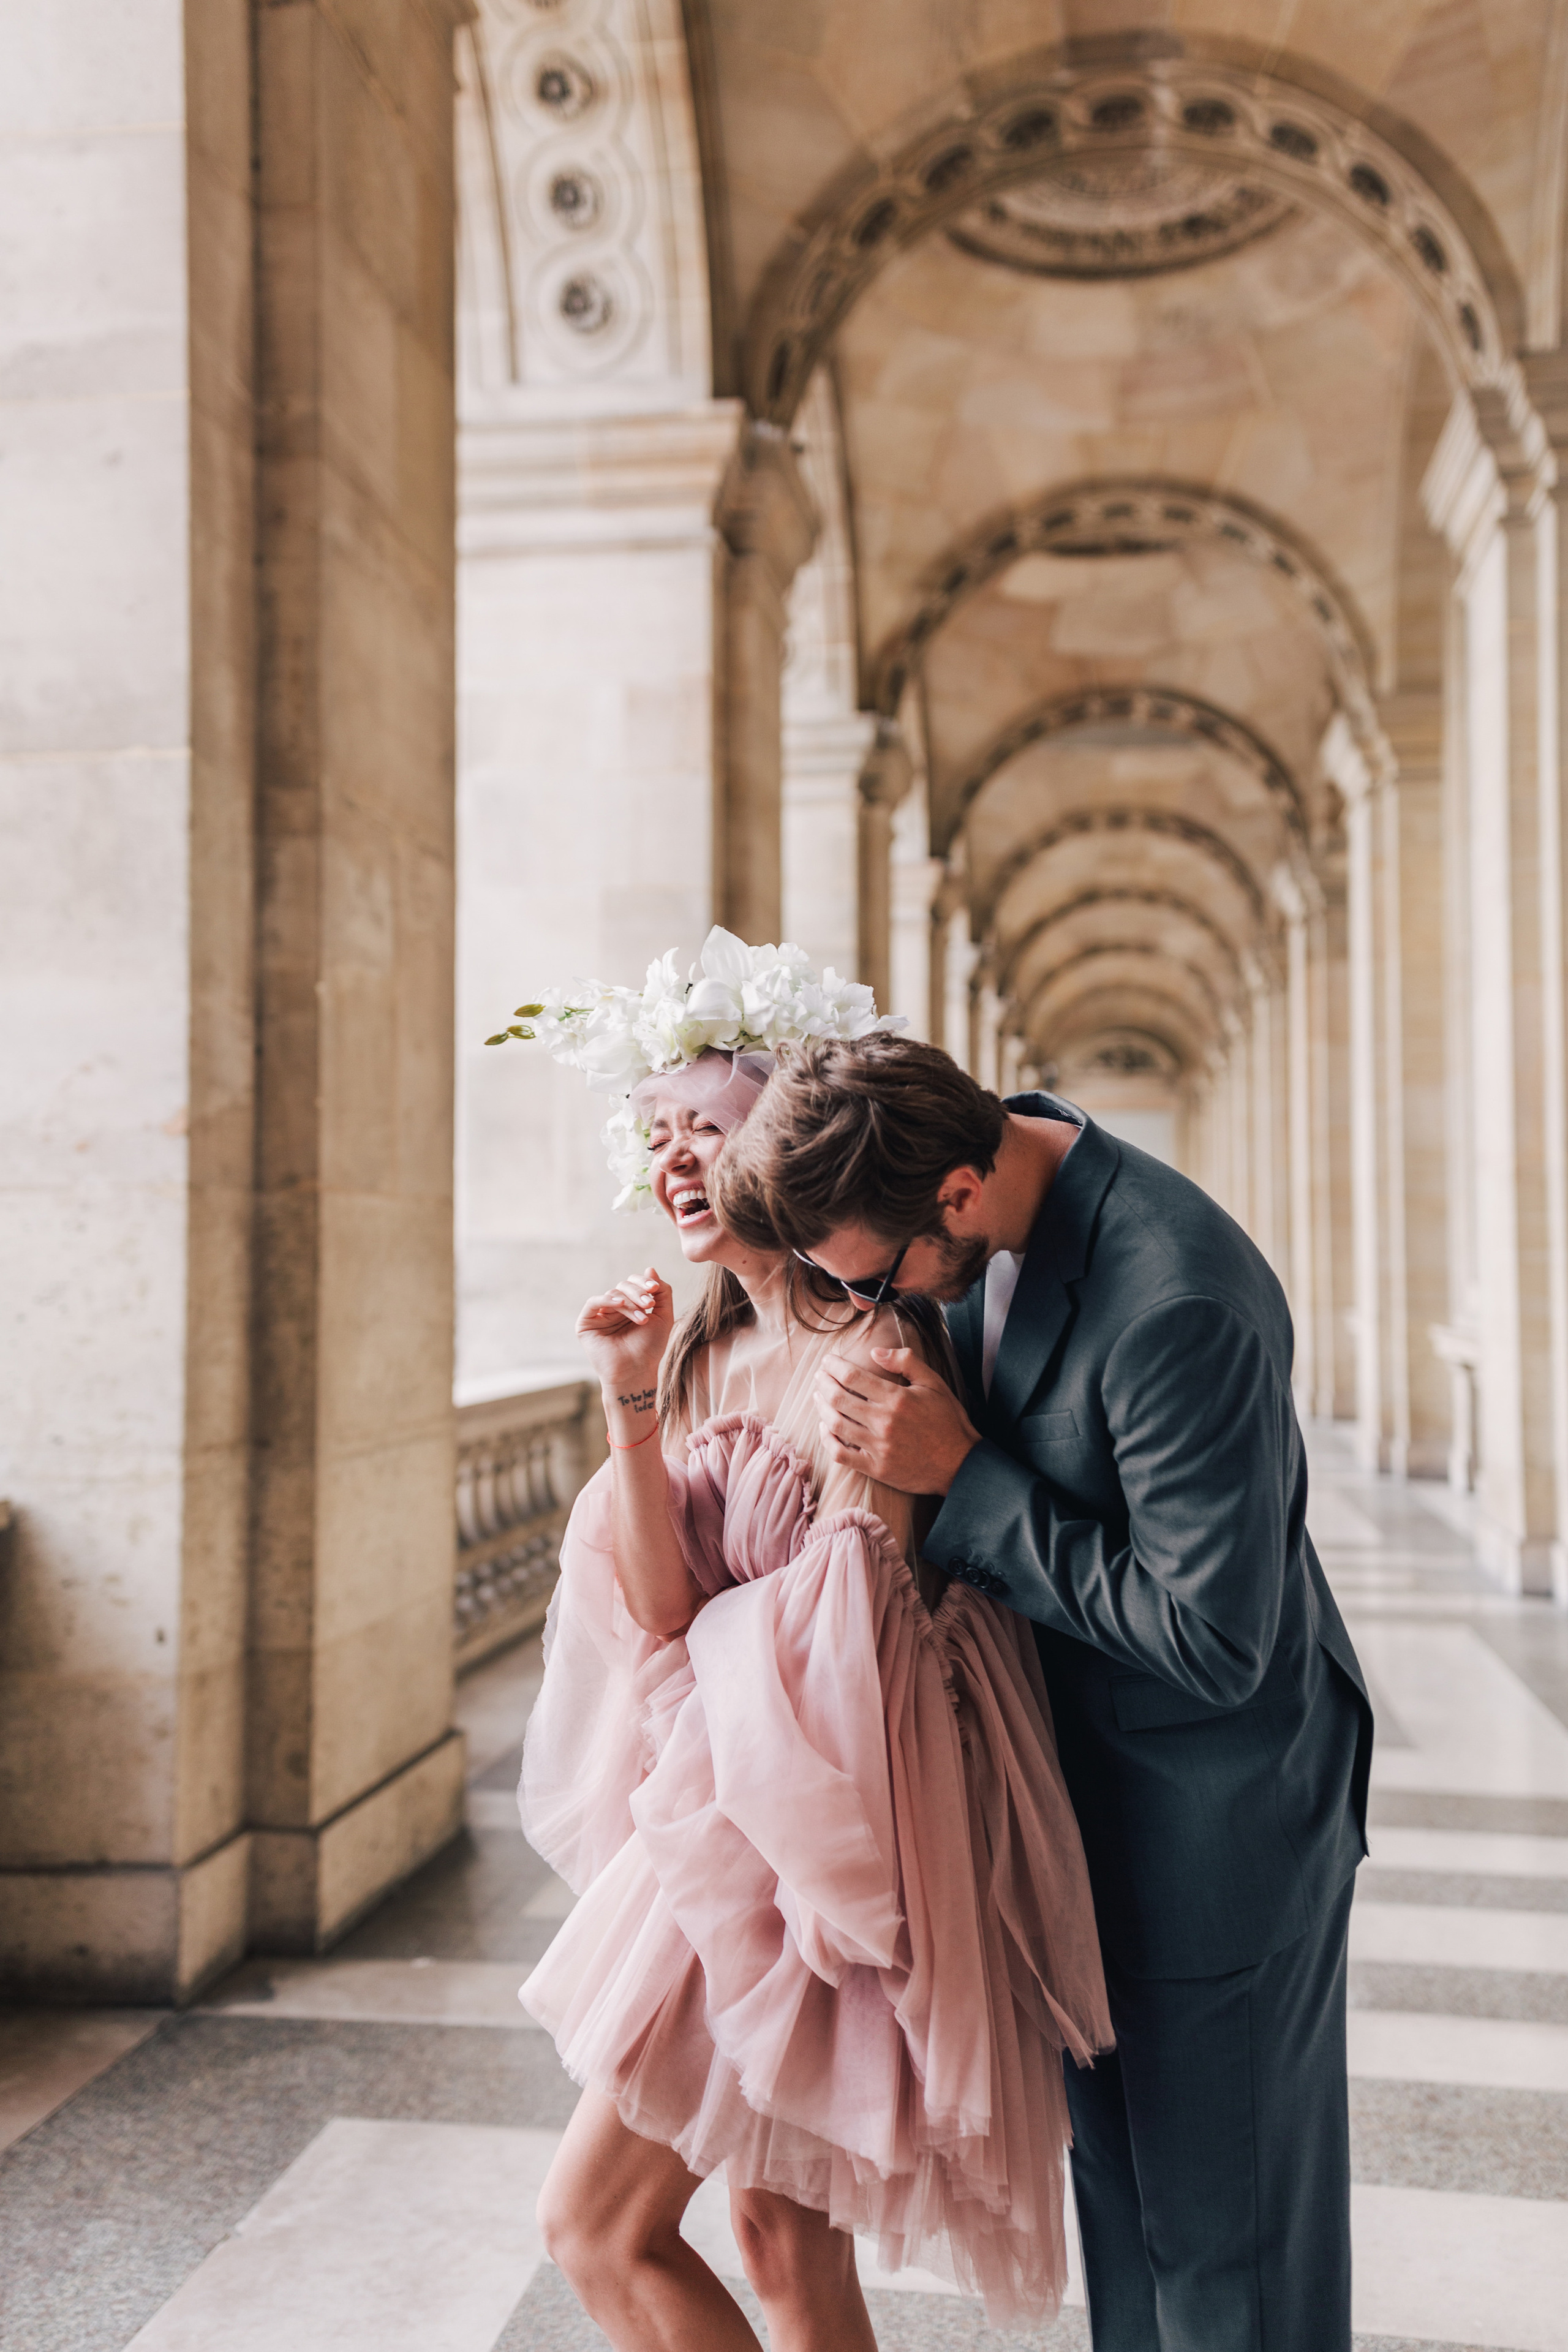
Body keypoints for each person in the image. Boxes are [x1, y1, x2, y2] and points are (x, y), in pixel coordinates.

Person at [712, 1032, 1375, 2352]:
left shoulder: (1177, 1298)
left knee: (1225, 2248)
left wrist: (967, 1478)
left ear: (958, 1193)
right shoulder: (975, 1205)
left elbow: (1214, 1637)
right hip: (1073, 1814)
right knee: (1128, 2229)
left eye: (876, 1278)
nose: (874, 1304)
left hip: (1210, 1827)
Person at [502, 942, 1111, 2352]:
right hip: (712, 1817)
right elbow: (661, 1612)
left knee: (599, 2228)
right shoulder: (700, 1354)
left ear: (788, 1149)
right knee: (779, 2239)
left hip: (813, 1835)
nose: (671, 1159)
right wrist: (630, 1404)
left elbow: (856, 1645)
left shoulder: (873, 1355)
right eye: (653, 1134)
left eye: (704, 1129)